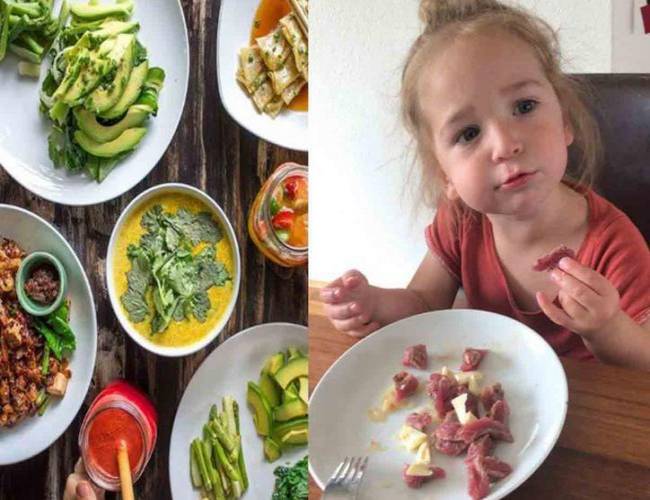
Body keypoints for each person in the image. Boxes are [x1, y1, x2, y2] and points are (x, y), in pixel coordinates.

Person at [320, 0, 650, 369]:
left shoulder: (615, 247)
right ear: (446, 175)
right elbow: (425, 304)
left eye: (524, 106)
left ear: (566, 122)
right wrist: (374, 304)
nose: (505, 145)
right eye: (469, 133)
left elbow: (644, 361)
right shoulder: (461, 222)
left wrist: (607, 328)